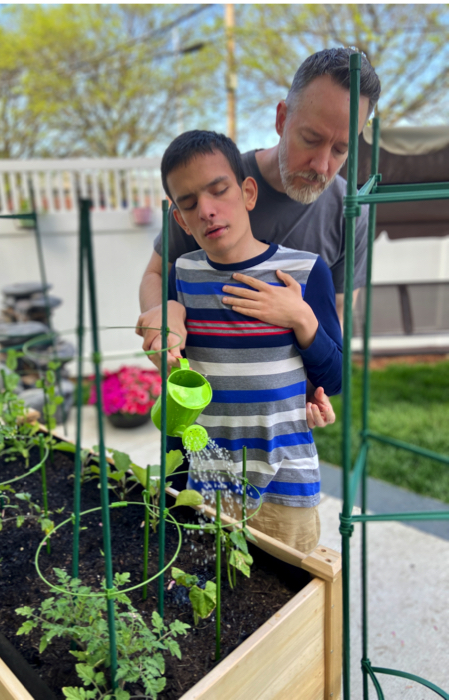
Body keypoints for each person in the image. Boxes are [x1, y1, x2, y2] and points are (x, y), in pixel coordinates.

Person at [137, 47, 381, 429]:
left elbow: (334, 326)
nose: (322, 165)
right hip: (199, 415)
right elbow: (157, 275)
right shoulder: (215, 183)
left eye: (340, 149)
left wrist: (312, 392)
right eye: (311, 138)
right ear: (282, 119)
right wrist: (161, 316)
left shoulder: (351, 215)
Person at [161, 129, 343, 554]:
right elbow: (178, 382)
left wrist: (301, 317)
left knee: (290, 600)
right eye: (188, 203)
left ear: (247, 192)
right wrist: (163, 331)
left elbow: (332, 378)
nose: (206, 210)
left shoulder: (304, 271)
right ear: (180, 220)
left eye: (218, 190)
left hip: (287, 487)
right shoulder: (182, 276)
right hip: (209, 485)